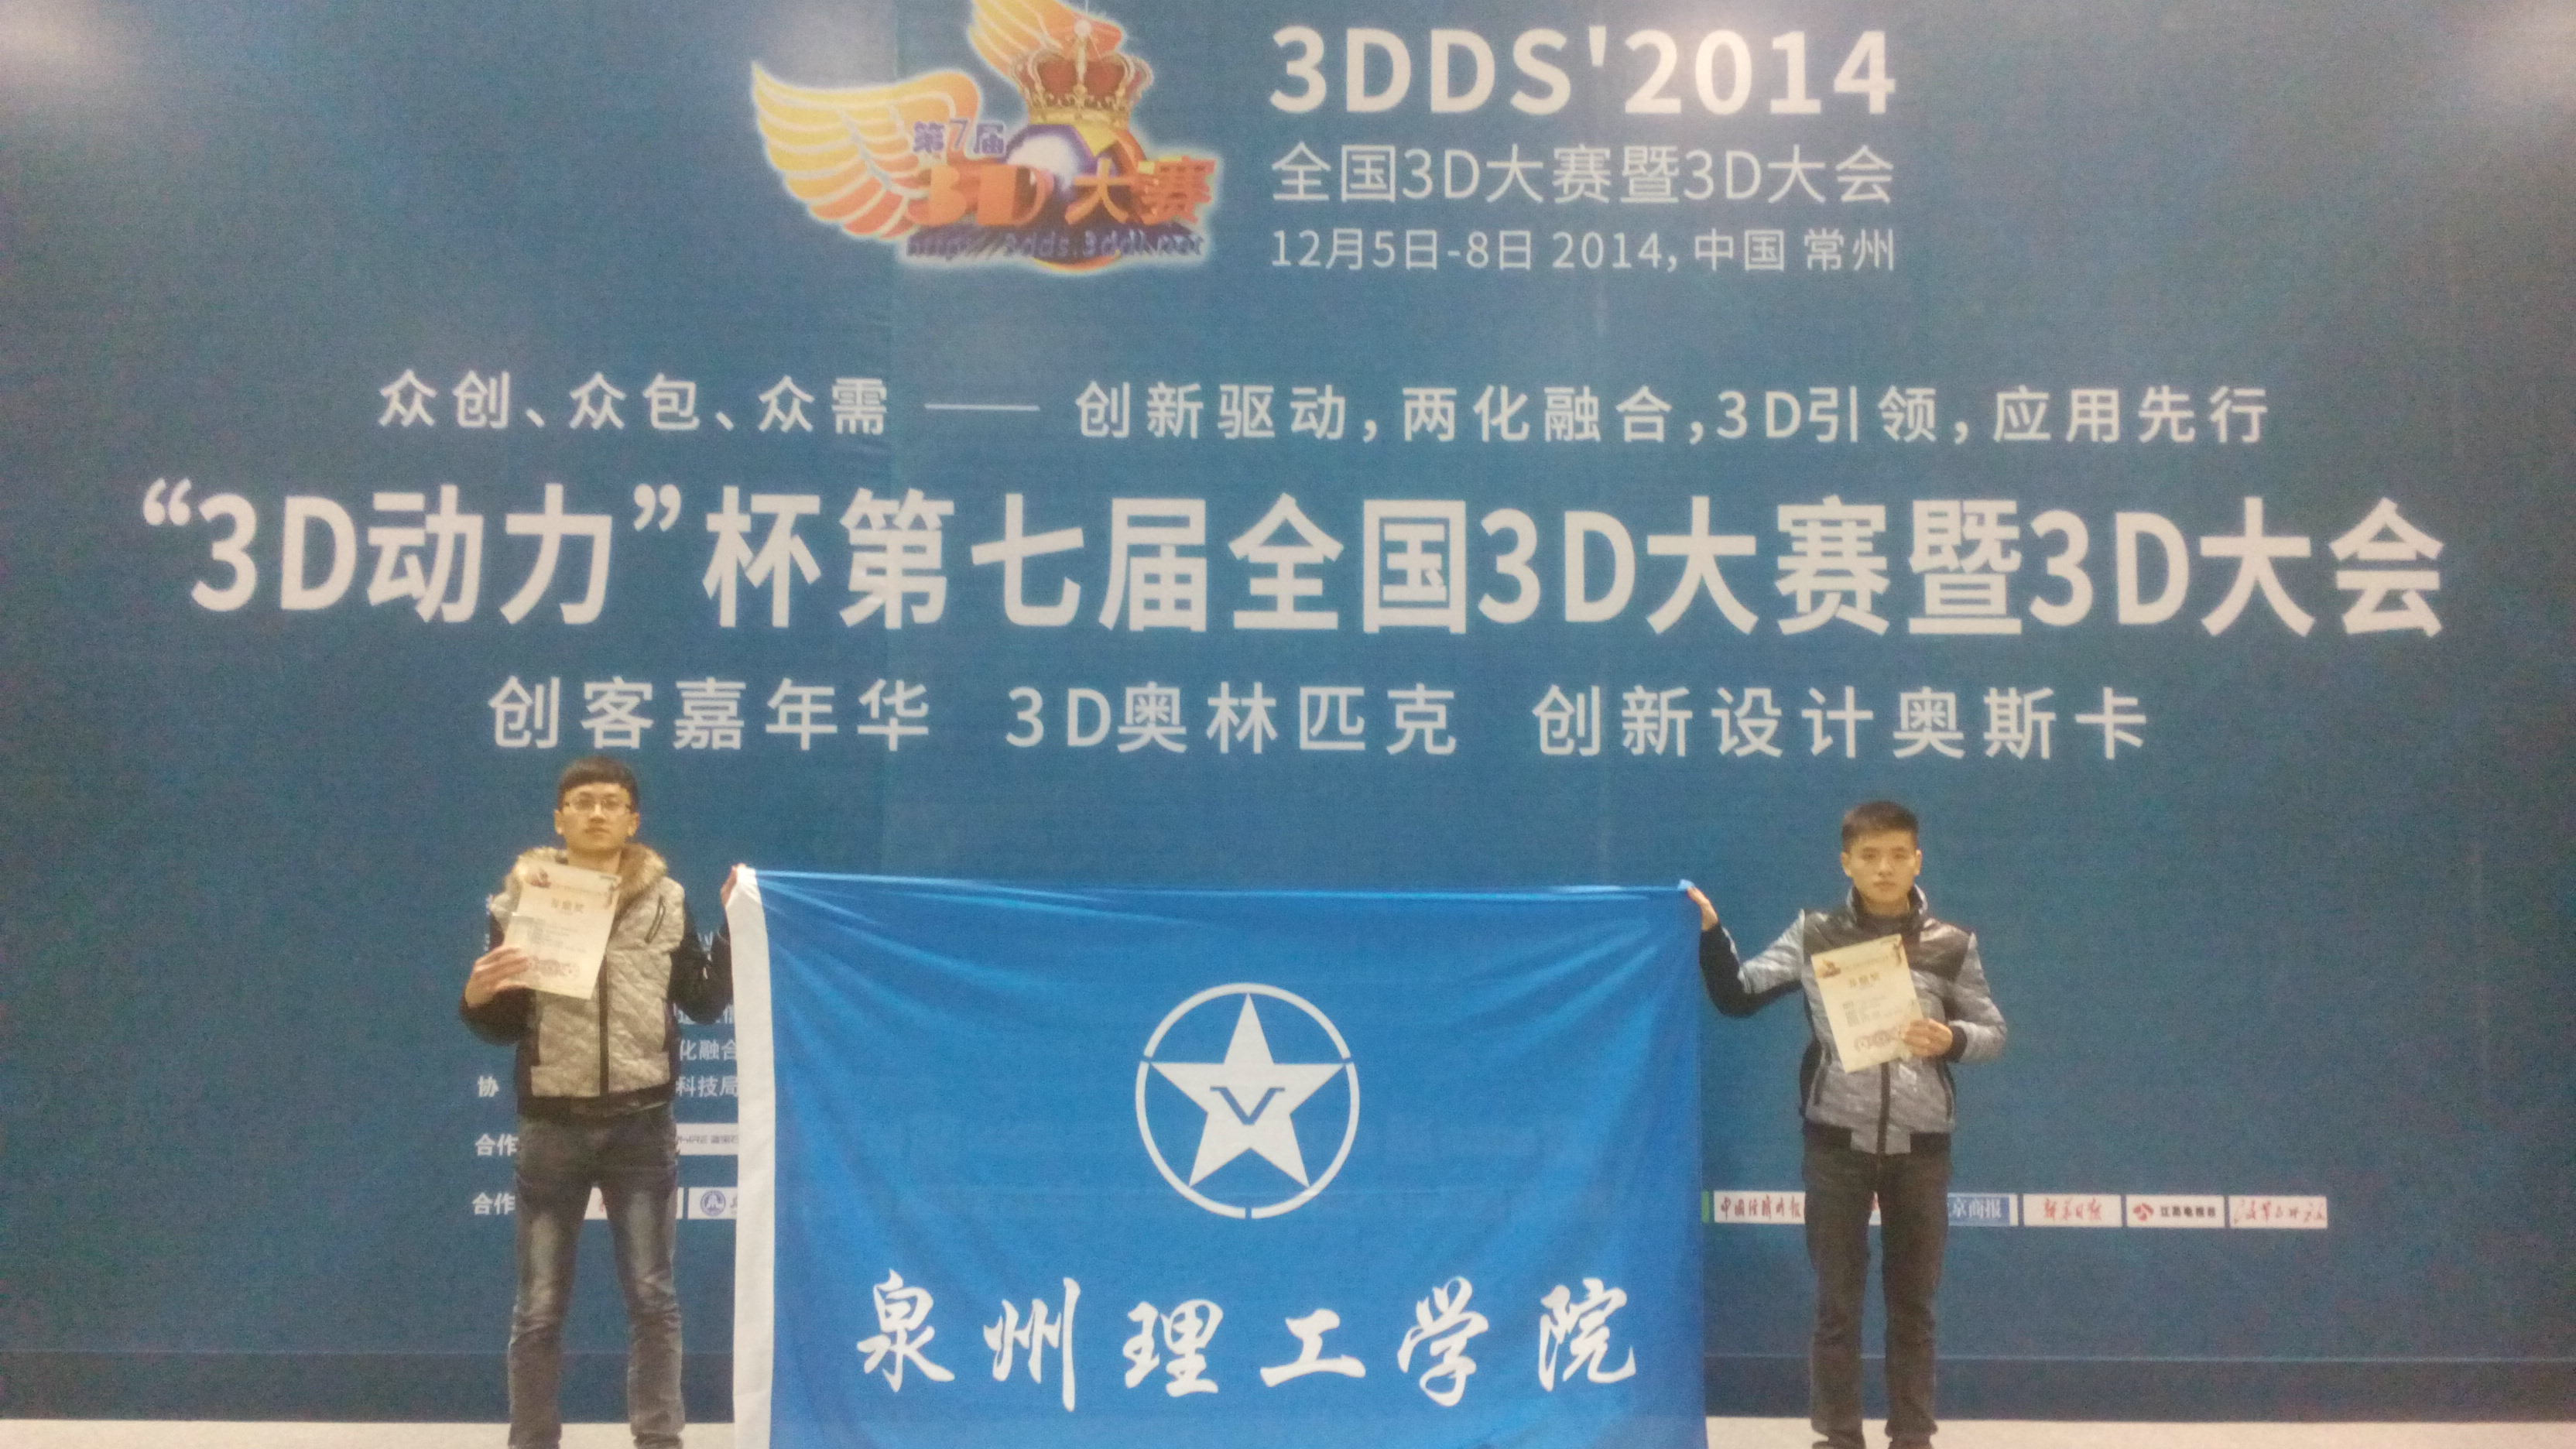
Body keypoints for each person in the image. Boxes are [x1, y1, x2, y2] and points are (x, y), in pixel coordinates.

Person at [1689, 800, 2006, 1449]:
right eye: (1869, 856)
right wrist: (1711, 934)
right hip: (1836, 1145)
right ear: (1847, 863)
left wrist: (1951, 1037)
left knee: (1913, 1307)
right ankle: (1838, 1437)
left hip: (1922, 1149)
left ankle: (1912, 1436)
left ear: (1917, 860)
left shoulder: (1952, 944)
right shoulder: (1816, 933)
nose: (1884, 867)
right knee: (1837, 1305)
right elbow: (1738, 995)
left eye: (1897, 855)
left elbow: (1993, 1031)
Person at [461, 756, 732, 1449]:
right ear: (560, 819)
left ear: (633, 820)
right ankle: (533, 1440)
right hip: (552, 1126)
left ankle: (659, 1438)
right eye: (582, 802)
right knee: (539, 1309)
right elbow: (501, 1025)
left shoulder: (667, 900)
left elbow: (704, 1002)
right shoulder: (520, 901)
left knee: (653, 1299)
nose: (597, 813)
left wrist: (735, 926)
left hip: (642, 1125)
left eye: (611, 802)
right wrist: (476, 997)